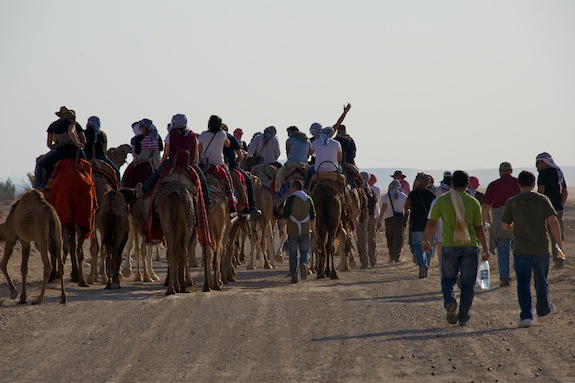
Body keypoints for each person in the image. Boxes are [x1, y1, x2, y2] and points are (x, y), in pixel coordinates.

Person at [422, 170, 491, 327]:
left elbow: (432, 222)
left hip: (448, 246)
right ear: (468, 185)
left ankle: (450, 302)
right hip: (470, 247)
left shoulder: (442, 200)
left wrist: (425, 240)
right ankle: (464, 315)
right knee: (468, 284)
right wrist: (485, 249)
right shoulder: (473, 202)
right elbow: (479, 227)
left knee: (448, 279)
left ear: (452, 184)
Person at [501, 170, 564, 328]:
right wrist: (559, 243)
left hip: (521, 248)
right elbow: (553, 221)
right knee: (541, 280)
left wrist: (516, 227)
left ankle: (526, 316)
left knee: (522, 282)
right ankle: (543, 311)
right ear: (534, 183)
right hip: (541, 247)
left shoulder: (512, 202)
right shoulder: (542, 199)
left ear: (519, 184)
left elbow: (504, 225)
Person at [141, 114, 212, 208]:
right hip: (188, 164)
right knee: (202, 179)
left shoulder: (170, 134)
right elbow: (196, 156)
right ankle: (207, 201)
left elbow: (166, 153)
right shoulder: (192, 135)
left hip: (172, 163)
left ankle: (143, 190)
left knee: (157, 175)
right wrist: (195, 163)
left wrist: (161, 163)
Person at [481, 162, 520, 286]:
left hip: (500, 219)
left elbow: (486, 205)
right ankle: (519, 272)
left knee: (503, 249)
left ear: (500, 171)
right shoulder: (519, 183)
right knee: (519, 249)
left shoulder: (493, 185)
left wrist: (482, 221)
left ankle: (504, 277)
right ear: (511, 171)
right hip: (518, 218)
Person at [34, 106, 86, 190]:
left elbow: (49, 144)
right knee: (87, 165)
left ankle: (40, 186)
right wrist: (78, 143)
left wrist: (55, 147)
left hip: (60, 151)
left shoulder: (53, 125)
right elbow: (79, 137)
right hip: (75, 151)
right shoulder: (74, 124)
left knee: (41, 163)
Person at [198, 115, 237, 215]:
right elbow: (227, 144)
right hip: (218, 164)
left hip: (204, 164)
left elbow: (199, 149)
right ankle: (231, 200)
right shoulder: (222, 134)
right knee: (228, 180)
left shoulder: (202, 134)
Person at [279, 179, 316, 283]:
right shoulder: (309, 199)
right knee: (305, 251)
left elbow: (285, 215)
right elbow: (313, 216)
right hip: (305, 230)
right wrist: (313, 230)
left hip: (293, 230)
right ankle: (304, 263)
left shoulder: (290, 199)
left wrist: (282, 228)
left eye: (290, 187)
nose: (289, 189)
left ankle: (294, 275)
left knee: (293, 253)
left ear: (295, 187)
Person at [536, 152, 568, 268]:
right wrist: (560, 206)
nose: (536, 166)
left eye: (538, 163)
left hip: (546, 209)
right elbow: (565, 191)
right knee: (558, 235)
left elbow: (541, 191)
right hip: (558, 208)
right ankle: (559, 257)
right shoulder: (559, 173)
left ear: (544, 162)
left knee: (545, 234)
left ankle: (546, 259)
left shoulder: (543, 174)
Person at [222, 123, 261, 216]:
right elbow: (240, 156)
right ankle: (251, 205)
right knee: (248, 180)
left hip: (210, 164)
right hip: (231, 166)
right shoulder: (231, 138)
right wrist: (235, 162)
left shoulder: (208, 137)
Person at [404, 172, 435, 278]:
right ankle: (427, 265)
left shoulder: (413, 194)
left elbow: (406, 207)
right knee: (429, 246)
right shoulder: (431, 195)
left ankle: (422, 264)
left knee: (418, 246)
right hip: (429, 224)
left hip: (416, 223)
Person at [83, 116, 121, 185]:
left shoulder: (84, 133)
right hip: (100, 157)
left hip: (87, 157)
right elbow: (104, 148)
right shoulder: (101, 134)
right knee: (116, 172)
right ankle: (120, 190)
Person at [377, 179, 407, 263]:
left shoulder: (387, 196)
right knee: (398, 238)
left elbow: (383, 209)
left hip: (389, 219)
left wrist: (379, 220)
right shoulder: (403, 196)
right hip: (399, 218)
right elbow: (406, 209)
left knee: (390, 237)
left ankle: (391, 256)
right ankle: (397, 256)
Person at [356, 172, 378, 267]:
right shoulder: (371, 191)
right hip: (372, 216)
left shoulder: (359, 190)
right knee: (372, 238)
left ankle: (364, 262)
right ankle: (373, 260)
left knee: (362, 239)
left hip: (362, 217)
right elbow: (376, 202)